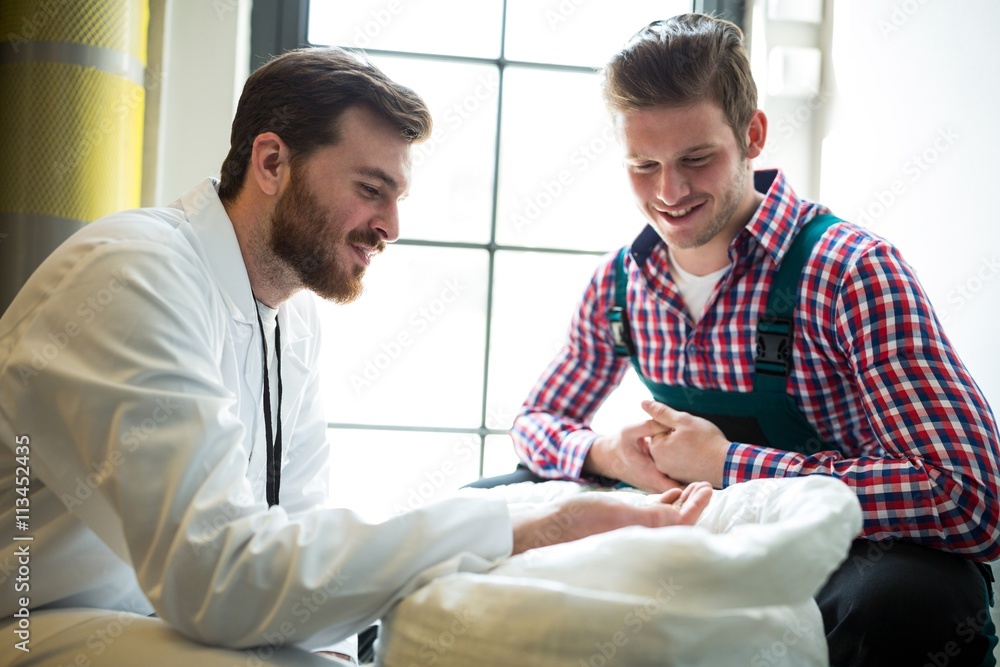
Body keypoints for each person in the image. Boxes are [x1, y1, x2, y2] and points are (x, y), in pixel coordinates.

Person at [0, 47, 713, 666]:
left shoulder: (291, 316)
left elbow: (294, 533)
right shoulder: (134, 276)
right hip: (32, 623)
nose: (392, 226)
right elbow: (216, 575)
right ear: (272, 161)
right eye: (371, 189)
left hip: (161, 625)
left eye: (397, 196)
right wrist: (530, 526)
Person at [508, 13, 1000, 667]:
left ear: (753, 134)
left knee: (908, 603)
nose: (669, 192)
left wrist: (729, 464)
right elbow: (535, 421)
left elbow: (971, 496)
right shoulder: (621, 283)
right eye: (643, 165)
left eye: (697, 159)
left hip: (850, 549)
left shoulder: (852, 271)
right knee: (478, 520)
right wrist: (606, 451)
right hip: (698, 526)